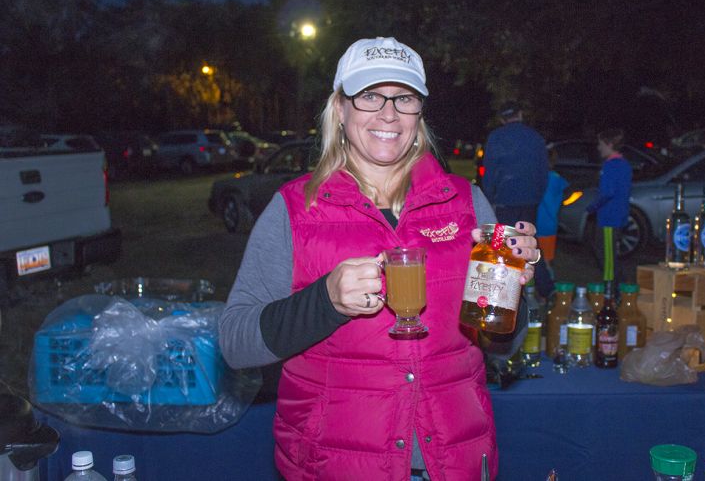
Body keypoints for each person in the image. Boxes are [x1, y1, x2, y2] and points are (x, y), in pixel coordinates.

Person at [218, 36, 540, 480]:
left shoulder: (467, 204)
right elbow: (236, 344)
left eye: (404, 98)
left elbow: (500, 345)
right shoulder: (294, 210)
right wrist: (324, 301)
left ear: (419, 114)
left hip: (454, 461)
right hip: (336, 466)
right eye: (370, 96)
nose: (388, 113)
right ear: (340, 109)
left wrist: (512, 292)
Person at [481, 102, 552, 298]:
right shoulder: (535, 138)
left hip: (504, 201)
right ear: (520, 114)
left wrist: (489, 199)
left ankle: (500, 289)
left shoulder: (496, 138)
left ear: (503, 118)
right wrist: (536, 197)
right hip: (529, 201)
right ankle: (545, 288)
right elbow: (543, 174)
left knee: (500, 245)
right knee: (529, 242)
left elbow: (490, 174)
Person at [585, 128, 632, 297]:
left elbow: (607, 192)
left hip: (609, 218)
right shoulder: (625, 164)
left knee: (607, 257)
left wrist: (592, 207)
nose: (599, 148)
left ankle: (612, 292)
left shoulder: (611, 165)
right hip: (618, 216)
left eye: (601, 144)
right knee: (606, 253)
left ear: (610, 144)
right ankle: (618, 288)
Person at [535, 147, 569, 278]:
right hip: (550, 225)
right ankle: (548, 293)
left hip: (537, 224)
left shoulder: (539, 178)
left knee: (533, 261)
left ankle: (542, 291)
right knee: (547, 260)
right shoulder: (557, 179)